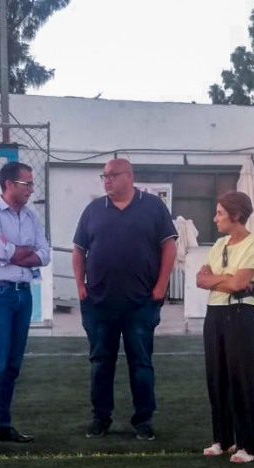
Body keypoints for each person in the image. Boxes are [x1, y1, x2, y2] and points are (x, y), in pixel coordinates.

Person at [72, 158, 178, 440]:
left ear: (129, 177)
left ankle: (143, 420)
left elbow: (169, 246)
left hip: (141, 302)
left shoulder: (154, 207)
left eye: (112, 175)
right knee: (100, 363)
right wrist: (80, 287)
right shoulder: (93, 210)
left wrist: (161, 285)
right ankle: (100, 418)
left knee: (141, 363)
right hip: (99, 304)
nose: (106, 180)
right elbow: (78, 249)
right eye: (103, 176)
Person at [0, 161, 50, 454]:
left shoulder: (30, 216)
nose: (31, 189)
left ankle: (2, 424)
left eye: (31, 184)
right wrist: (24, 252)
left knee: (13, 365)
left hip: (22, 294)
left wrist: (17, 253)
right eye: (26, 184)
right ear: (9, 185)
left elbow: (44, 254)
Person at [195, 191, 254, 464]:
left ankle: (250, 445)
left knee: (243, 379)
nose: (215, 219)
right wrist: (226, 279)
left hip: (241, 315)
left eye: (220, 214)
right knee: (217, 377)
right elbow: (200, 279)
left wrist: (219, 280)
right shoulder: (219, 245)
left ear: (236, 216)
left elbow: (239, 284)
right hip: (214, 314)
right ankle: (223, 439)